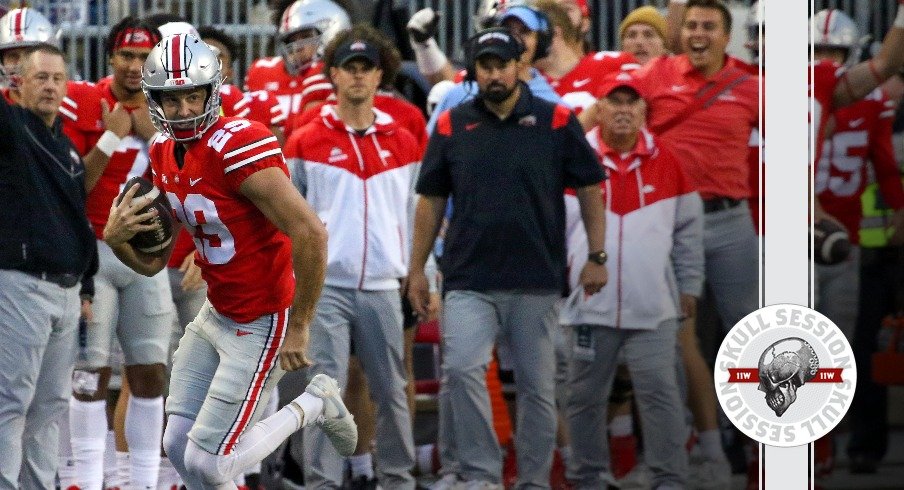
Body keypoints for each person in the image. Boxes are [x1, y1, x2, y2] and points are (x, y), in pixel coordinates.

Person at [102, 33, 355, 489]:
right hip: (217, 312)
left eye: (192, 97)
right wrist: (117, 241)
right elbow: (154, 264)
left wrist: (300, 324)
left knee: (209, 462)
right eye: (171, 100)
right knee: (178, 446)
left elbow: (311, 233)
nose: (182, 111)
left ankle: (314, 404)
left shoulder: (238, 145)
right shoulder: (161, 150)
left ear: (211, 91)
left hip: (263, 317)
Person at [407, 27, 608, 489]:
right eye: (485, 65)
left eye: (502, 64)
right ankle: (481, 474)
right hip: (468, 277)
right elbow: (431, 201)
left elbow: (590, 189)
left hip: (535, 278)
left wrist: (597, 254)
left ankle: (534, 481)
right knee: (461, 370)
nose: (495, 73)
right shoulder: (451, 123)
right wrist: (418, 269)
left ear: (521, 66)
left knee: (539, 389)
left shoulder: (558, 121)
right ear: (474, 72)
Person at [285, 25, 420, 489]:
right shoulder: (305, 138)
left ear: (380, 75)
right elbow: (290, 220)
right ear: (334, 75)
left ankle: (399, 480)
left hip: (385, 283)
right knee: (324, 391)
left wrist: (427, 277)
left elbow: (415, 215)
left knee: (393, 391)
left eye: (367, 69)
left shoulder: (404, 139)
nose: (359, 77)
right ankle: (322, 482)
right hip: (327, 287)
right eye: (350, 68)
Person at [561, 71, 702, 490]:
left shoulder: (670, 159)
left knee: (660, 393)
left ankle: (669, 476)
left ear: (644, 110)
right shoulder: (572, 158)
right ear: (598, 109)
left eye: (631, 103)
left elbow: (688, 232)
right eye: (614, 102)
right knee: (584, 398)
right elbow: (550, 229)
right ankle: (589, 477)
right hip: (586, 306)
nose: (623, 111)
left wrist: (690, 285)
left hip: (654, 306)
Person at [59, 17, 176, 490]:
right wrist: (110, 138)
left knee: (150, 371)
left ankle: (139, 479)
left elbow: (189, 183)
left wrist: (157, 137)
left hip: (146, 256)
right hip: (93, 252)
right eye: (125, 56)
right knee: (90, 373)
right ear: (110, 57)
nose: (133, 66)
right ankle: (87, 479)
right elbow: (70, 188)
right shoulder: (84, 100)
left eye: (143, 57)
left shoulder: (171, 106)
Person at [0, 43, 98, 490]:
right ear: (17, 84)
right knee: (10, 401)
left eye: (58, 79)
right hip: (21, 284)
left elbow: (78, 217)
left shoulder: (66, 145)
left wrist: (88, 285)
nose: (50, 86)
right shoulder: (10, 128)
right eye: (40, 77)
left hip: (65, 289)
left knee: (51, 405)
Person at [244, 0, 351, 138]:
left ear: (333, 32)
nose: (297, 46)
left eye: (306, 36)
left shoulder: (346, 76)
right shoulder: (262, 71)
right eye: (291, 40)